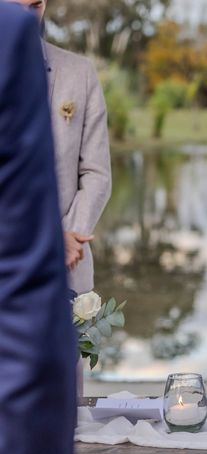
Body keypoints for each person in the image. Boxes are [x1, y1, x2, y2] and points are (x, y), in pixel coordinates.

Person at [0, 3, 77, 454]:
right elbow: (21, 293)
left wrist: (69, 230)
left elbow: (97, 168)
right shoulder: (9, 39)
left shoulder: (76, 70)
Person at [11, 0, 112, 296]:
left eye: (36, 5)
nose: (27, 16)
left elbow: (97, 173)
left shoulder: (81, 73)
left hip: (66, 276)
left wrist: (65, 240)